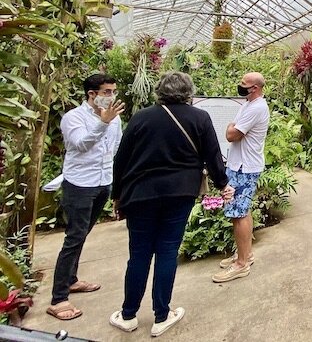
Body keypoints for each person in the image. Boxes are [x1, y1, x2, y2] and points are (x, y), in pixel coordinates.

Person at [109, 72, 234, 337]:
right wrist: (223, 184)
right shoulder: (199, 117)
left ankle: (128, 315)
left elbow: (121, 159)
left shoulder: (141, 117)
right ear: (189, 92)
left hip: (140, 194)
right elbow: (212, 155)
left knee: (139, 254)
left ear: (159, 91)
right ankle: (161, 316)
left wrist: (117, 194)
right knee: (167, 251)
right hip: (180, 194)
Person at [46, 74, 125, 321]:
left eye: (113, 91)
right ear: (92, 94)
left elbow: (115, 148)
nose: (111, 96)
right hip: (80, 184)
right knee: (74, 237)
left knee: (83, 233)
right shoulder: (73, 118)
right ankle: (58, 299)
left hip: (103, 182)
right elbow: (80, 144)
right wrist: (102, 123)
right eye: (107, 91)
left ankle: (70, 280)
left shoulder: (115, 118)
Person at [211, 72, 269, 283]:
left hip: (244, 167)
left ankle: (241, 264)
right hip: (240, 164)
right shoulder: (248, 104)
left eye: (244, 84)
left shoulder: (257, 108)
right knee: (242, 211)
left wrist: (230, 127)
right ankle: (246, 254)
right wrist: (232, 126)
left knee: (238, 213)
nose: (240, 86)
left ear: (255, 88)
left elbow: (231, 134)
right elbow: (234, 129)